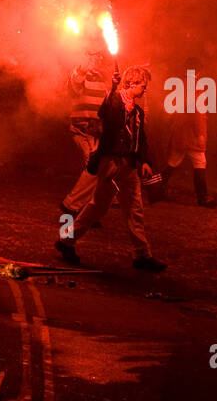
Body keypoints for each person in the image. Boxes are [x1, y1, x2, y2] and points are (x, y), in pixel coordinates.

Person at [55, 65, 166, 271]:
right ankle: (66, 241)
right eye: (143, 86)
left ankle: (143, 254)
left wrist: (145, 161)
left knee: (135, 209)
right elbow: (106, 113)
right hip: (112, 164)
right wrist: (114, 88)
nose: (145, 90)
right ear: (131, 84)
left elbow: (141, 139)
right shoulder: (115, 102)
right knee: (97, 208)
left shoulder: (138, 111)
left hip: (129, 166)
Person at [159, 57, 217, 207]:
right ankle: (203, 197)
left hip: (179, 130)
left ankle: (157, 190)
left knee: (173, 161)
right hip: (191, 133)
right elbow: (197, 112)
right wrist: (200, 134)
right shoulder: (197, 86)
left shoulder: (178, 84)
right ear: (198, 70)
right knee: (200, 161)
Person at [60, 49, 111, 218]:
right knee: (92, 166)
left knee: (97, 169)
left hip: (97, 131)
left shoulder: (105, 78)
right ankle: (72, 205)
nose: (97, 59)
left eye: (99, 56)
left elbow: (110, 102)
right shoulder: (80, 74)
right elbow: (73, 89)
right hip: (81, 129)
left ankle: (86, 209)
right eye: (93, 56)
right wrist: (80, 71)